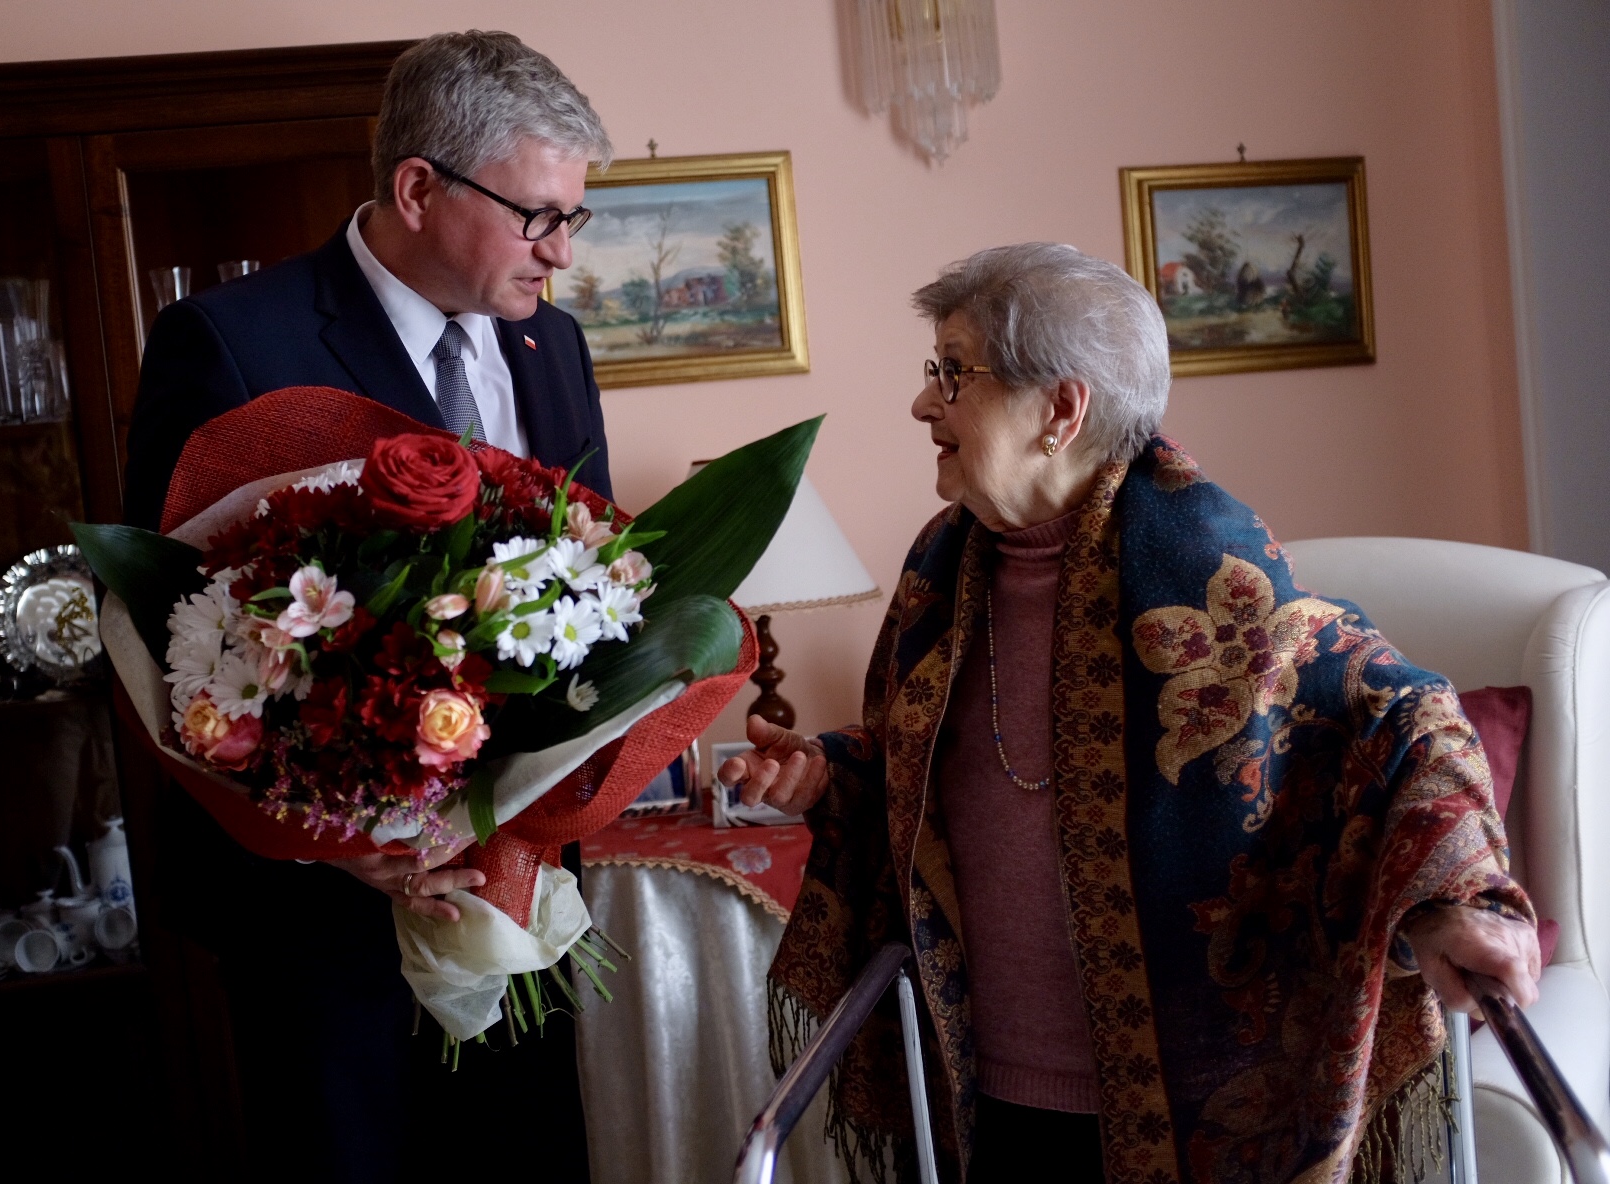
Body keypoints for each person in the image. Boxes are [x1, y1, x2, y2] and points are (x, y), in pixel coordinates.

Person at [722, 244, 1541, 1184]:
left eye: (954, 373)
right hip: (985, 1095)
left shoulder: (1205, 564)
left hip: (1188, 1121)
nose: (923, 404)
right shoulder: (939, 570)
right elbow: (933, 767)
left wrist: (1458, 899)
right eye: (931, 371)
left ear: (1061, 411)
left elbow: (1404, 718)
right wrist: (831, 772)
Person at [123, 31, 613, 1182]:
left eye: (572, 219)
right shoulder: (236, 343)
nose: (562, 254)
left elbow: (585, 586)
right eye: (539, 216)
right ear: (417, 187)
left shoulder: (558, 343)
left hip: (522, 895)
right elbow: (164, 632)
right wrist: (331, 840)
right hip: (326, 922)